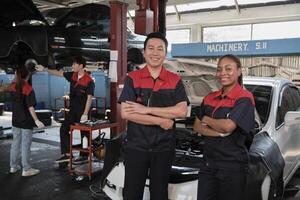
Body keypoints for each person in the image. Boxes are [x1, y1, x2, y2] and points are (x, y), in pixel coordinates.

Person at [118, 32, 189, 200]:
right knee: (132, 193)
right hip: (137, 147)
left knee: (159, 193)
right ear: (144, 52)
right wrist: (160, 120)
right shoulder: (132, 78)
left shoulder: (174, 80)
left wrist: (146, 110)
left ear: (165, 53)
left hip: (164, 148)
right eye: (150, 48)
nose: (155, 53)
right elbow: (126, 113)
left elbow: (182, 111)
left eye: (160, 49)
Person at [193, 54, 255, 200]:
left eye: (228, 69)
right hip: (208, 164)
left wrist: (206, 119)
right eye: (219, 69)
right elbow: (196, 126)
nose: (223, 73)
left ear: (239, 71)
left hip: (232, 166)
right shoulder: (209, 97)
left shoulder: (244, 98)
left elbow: (228, 126)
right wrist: (218, 132)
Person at [35, 56, 95, 163]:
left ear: (81, 66)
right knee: (64, 129)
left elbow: (89, 98)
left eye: (74, 64)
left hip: (83, 111)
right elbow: (58, 73)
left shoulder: (89, 81)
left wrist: (85, 114)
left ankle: (84, 156)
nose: (72, 66)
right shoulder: (73, 75)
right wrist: (44, 69)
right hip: (73, 110)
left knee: (84, 133)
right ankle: (67, 154)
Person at [9, 66, 45, 177]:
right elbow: (30, 107)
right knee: (25, 145)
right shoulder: (28, 88)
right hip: (26, 122)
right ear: (28, 76)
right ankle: (26, 169)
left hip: (15, 120)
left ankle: (13, 167)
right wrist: (37, 120)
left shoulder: (12, 86)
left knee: (15, 143)